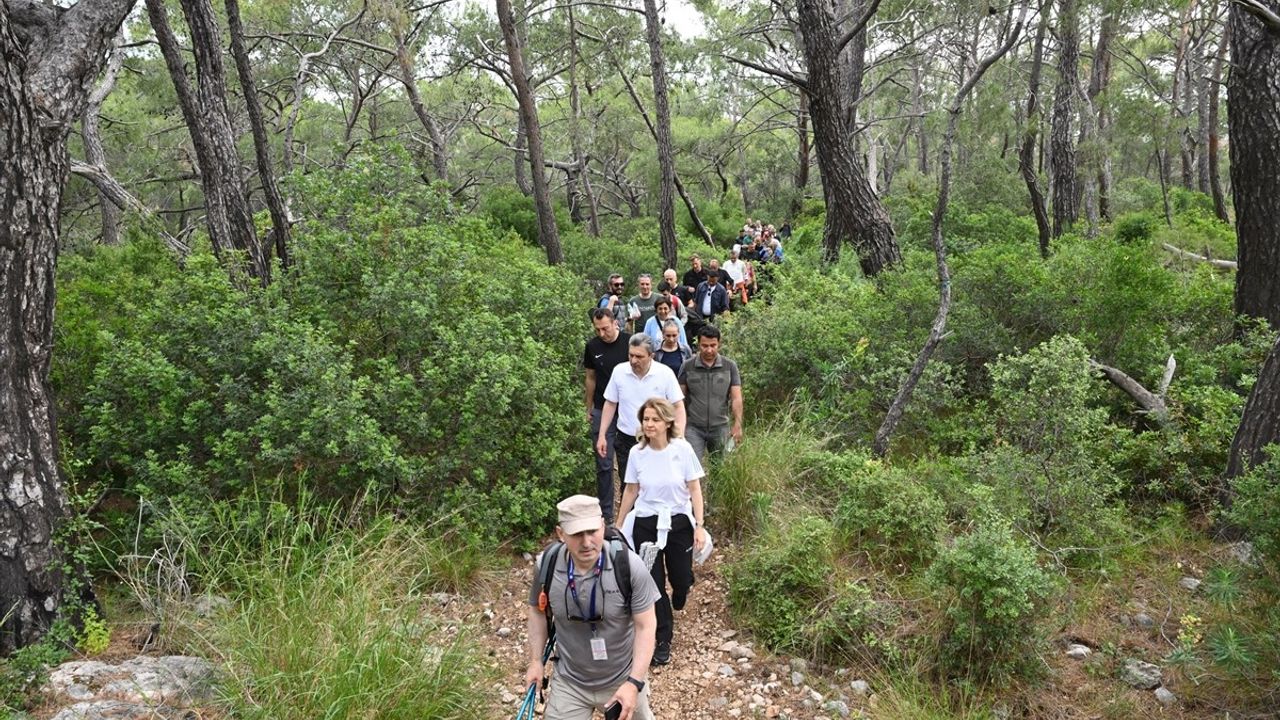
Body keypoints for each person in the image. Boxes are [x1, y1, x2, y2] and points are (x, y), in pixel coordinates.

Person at [526, 495, 660, 720]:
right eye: (577, 534)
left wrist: (634, 683)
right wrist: (535, 661)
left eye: (592, 531)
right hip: (570, 683)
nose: (587, 542)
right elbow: (538, 612)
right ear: (561, 534)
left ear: (602, 526)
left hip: (622, 678)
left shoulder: (628, 566)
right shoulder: (547, 565)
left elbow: (646, 626)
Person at [616, 399, 707, 667]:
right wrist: (619, 525)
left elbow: (694, 488)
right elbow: (631, 489)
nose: (649, 424)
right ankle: (663, 639)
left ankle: (682, 589)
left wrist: (699, 525)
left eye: (655, 419)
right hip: (647, 522)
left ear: (667, 422)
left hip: (678, 522)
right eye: (646, 419)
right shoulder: (637, 453)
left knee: (681, 577)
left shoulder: (682, 449)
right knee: (653, 585)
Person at [597, 334, 686, 496]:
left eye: (639, 356)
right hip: (626, 440)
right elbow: (610, 403)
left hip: (657, 440)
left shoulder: (664, 374)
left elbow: (678, 406)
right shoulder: (619, 371)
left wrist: (678, 435)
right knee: (629, 486)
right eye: (631, 355)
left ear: (651, 356)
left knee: (656, 486)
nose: (633, 360)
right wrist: (602, 434)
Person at [584, 309, 631, 523]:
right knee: (603, 463)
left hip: (627, 409)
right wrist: (589, 407)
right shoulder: (592, 346)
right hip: (602, 408)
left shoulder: (629, 343)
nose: (602, 333)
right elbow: (590, 377)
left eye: (605, 328)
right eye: (598, 330)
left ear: (614, 323)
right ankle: (607, 515)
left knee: (627, 462)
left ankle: (629, 513)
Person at [678, 325, 743, 462]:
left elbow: (736, 398)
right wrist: (678, 426)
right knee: (691, 465)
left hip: (720, 427)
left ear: (719, 344)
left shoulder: (730, 366)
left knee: (720, 467)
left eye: (713, 345)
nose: (709, 350)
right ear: (698, 345)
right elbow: (679, 399)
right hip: (693, 428)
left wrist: (737, 424)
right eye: (704, 346)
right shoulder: (687, 366)